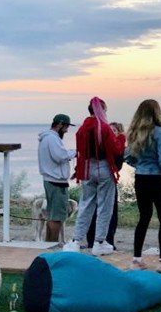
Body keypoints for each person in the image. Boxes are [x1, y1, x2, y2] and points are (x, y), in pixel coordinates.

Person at [63, 97, 125, 256]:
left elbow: (81, 151)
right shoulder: (104, 128)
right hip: (104, 168)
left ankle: (76, 241)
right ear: (101, 110)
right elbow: (115, 149)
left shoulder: (83, 128)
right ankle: (99, 242)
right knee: (105, 207)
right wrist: (121, 138)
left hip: (87, 168)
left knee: (85, 205)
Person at [125, 100, 161, 273]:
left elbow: (127, 156)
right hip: (157, 179)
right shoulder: (160, 132)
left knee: (144, 217)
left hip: (141, 178)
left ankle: (136, 260)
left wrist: (140, 166)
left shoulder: (134, 132)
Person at [37, 114, 76, 244]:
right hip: (56, 181)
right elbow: (59, 156)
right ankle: (52, 244)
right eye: (66, 127)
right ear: (60, 124)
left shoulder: (47, 138)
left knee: (52, 216)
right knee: (57, 218)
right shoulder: (52, 138)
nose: (66, 130)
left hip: (50, 180)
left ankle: (48, 243)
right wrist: (75, 153)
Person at [87, 122, 124, 249]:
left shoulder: (119, 147)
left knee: (111, 213)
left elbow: (118, 166)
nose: (111, 132)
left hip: (110, 181)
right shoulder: (100, 144)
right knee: (94, 210)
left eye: (114, 130)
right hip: (97, 180)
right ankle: (92, 240)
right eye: (110, 130)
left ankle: (108, 240)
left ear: (119, 133)